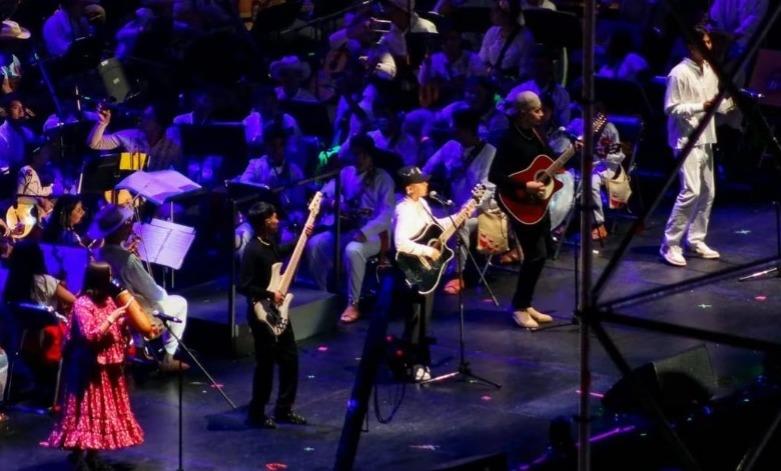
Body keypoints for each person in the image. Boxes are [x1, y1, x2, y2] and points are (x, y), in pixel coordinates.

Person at [44, 261, 143, 471]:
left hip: (106, 368)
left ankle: (93, 455)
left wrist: (125, 322)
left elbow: (114, 326)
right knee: (85, 412)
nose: (112, 280)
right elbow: (91, 335)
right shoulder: (82, 305)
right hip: (86, 369)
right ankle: (79, 457)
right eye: (108, 276)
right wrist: (112, 318)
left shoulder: (108, 300)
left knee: (102, 411)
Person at [659, 26, 733, 267]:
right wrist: (702, 105)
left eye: (710, 42)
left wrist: (733, 102)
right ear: (692, 46)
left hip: (706, 137)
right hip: (685, 139)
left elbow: (717, 104)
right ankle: (670, 244)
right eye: (705, 43)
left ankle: (696, 238)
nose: (709, 46)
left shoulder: (711, 70)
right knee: (690, 191)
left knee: (708, 192)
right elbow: (671, 108)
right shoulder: (678, 73)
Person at [306, 134, 395, 323]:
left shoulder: (383, 178)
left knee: (353, 251)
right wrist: (331, 202)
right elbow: (323, 194)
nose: (359, 159)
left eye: (363, 155)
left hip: (374, 234)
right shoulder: (346, 172)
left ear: (371, 155)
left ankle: (353, 303)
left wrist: (365, 232)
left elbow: (387, 214)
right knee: (316, 244)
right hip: (348, 229)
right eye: (356, 155)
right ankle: (323, 295)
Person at [91, 204, 190, 372]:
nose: (131, 226)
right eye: (127, 223)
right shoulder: (127, 260)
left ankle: (139, 350)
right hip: (132, 311)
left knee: (137, 298)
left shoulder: (97, 253)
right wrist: (134, 263)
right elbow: (155, 293)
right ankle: (168, 358)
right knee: (179, 303)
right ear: (118, 229)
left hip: (112, 308)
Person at [238, 201, 311, 428]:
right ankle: (256, 413)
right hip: (262, 314)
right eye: (273, 218)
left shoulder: (269, 243)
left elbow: (280, 252)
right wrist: (270, 294)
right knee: (266, 365)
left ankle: (284, 409)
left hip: (278, 311)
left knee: (290, 360)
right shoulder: (251, 251)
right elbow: (244, 286)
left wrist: (302, 238)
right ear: (264, 222)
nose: (277, 220)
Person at [489, 90, 556, 329]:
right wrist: (524, 184)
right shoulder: (509, 139)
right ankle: (518, 306)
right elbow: (495, 175)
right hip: (517, 202)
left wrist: (573, 152)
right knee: (535, 254)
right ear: (523, 114)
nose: (541, 114)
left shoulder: (536, 134)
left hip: (536, 202)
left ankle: (525, 303)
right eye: (537, 110)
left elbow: (549, 161)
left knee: (542, 253)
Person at [394, 166, 463, 381]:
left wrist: (459, 216)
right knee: (415, 318)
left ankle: (421, 360)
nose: (426, 184)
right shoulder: (403, 211)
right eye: (421, 182)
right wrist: (428, 251)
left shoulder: (422, 204)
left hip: (426, 269)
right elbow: (400, 242)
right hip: (412, 270)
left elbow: (434, 227)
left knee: (424, 318)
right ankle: (412, 363)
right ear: (409, 189)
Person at [423, 108, 496, 294]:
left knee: (460, 224)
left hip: (480, 209)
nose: (454, 132)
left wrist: (463, 211)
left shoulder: (489, 153)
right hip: (452, 205)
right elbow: (427, 170)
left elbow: (486, 190)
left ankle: (457, 273)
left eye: (459, 129)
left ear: (471, 130)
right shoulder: (450, 146)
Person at [87, 103, 182, 171]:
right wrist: (102, 123)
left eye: (147, 117)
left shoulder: (172, 147)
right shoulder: (131, 135)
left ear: (157, 125)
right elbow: (95, 144)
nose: (141, 119)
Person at [0, 94, 37, 170]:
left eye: (22, 107)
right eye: (16, 108)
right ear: (6, 112)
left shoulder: (24, 130)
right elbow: (3, 168)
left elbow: (38, 141)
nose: (21, 112)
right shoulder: (1, 135)